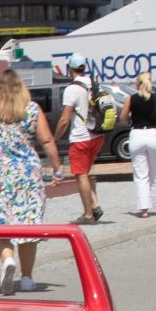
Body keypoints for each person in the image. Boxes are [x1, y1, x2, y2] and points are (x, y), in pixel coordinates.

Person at [0, 69, 60, 293]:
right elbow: (46, 139)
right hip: (29, 175)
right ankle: (27, 278)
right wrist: (57, 169)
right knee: (28, 225)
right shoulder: (32, 109)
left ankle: (7, 259)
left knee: (0, 221)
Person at [57, 56, 104, 223]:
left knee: (81, 175)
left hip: (80, 137)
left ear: (70, 68)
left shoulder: (72, 89)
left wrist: (55, 138)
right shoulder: (92, 83)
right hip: (97, 135)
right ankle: (95, 205)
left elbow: (64, 120)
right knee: (85, 173)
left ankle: (88, 214)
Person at [126, 71, 156, 215]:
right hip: (153, 134)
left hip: (136, 134)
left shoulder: (131, 98)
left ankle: (144, 209)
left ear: (138, 83)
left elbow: (123, 117)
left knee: (140, 174)